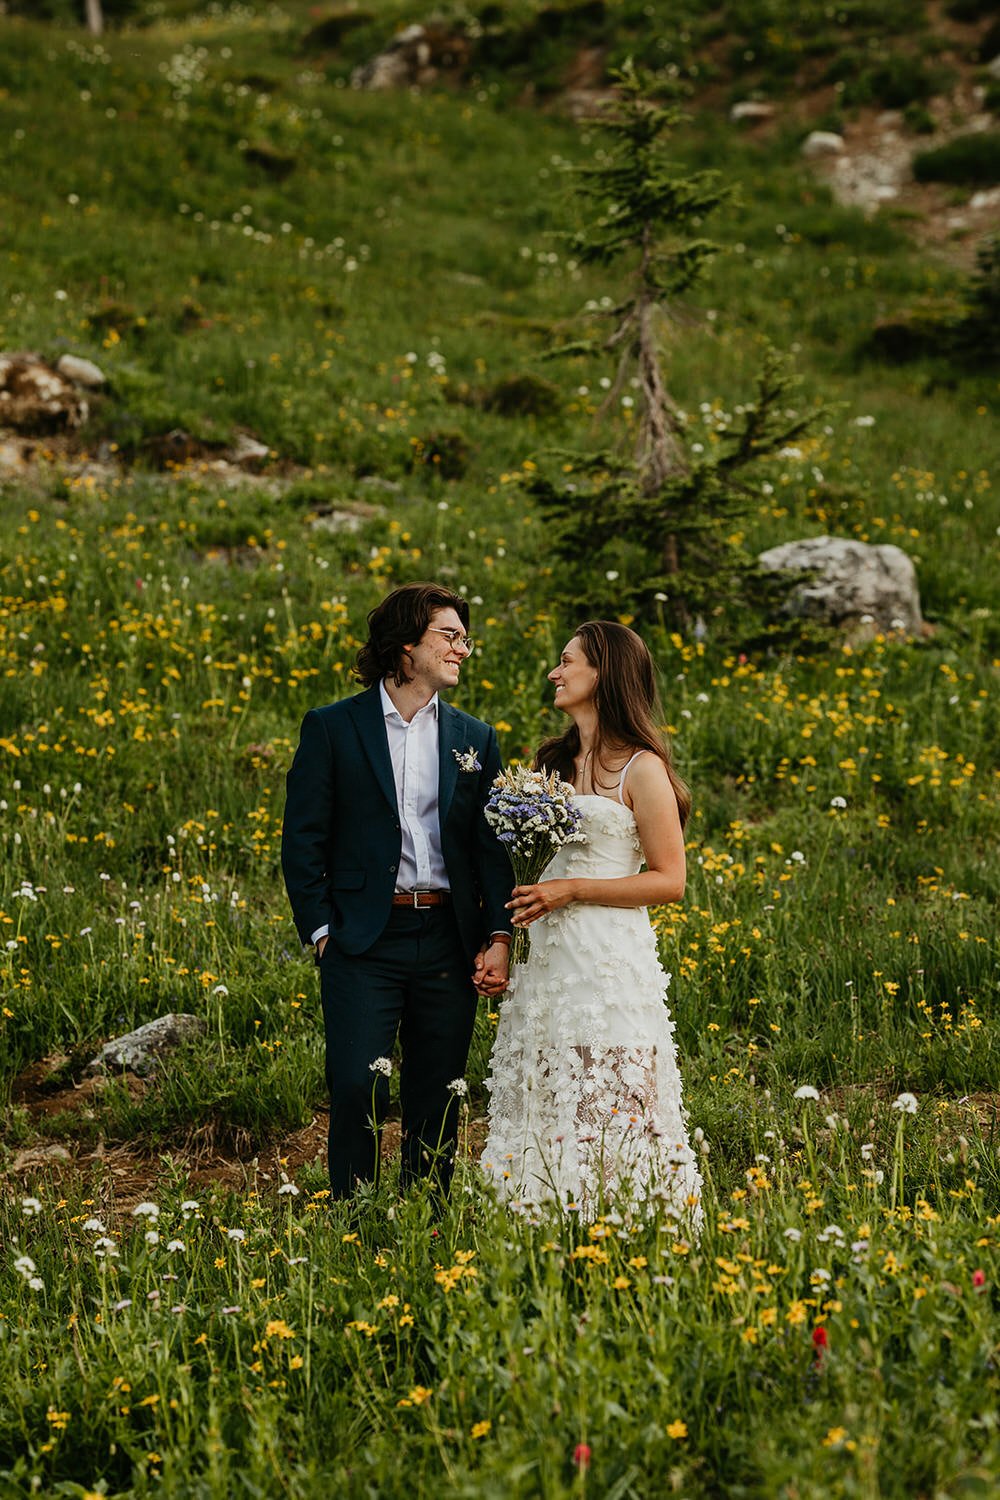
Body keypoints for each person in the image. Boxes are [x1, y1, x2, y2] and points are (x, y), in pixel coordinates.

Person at [281, 582, 512, 1200]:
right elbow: (302, 838)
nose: (463, 647)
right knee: (357, 1084)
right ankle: (353, 1220)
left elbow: (491, 847)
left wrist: (498, 934)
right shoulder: (332, 728)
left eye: (466, 636)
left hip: (446, 935)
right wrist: (323, 932)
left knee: (437, 1090)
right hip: (362, 938)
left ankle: (426, 1219)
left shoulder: (475, 738)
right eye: (450, 635)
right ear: (405, 645)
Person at [481, 620, 702, 1218]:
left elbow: (669, 880)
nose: (555, 672)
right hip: (547, 953)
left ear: (604, 673)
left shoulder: (643, 769)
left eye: (567, 661)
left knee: (612, 1088)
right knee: (547, 1085)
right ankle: (544, 1219)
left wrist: (572, 889)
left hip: (607, 955)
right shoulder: (550, 763)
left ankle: (629, 1219)